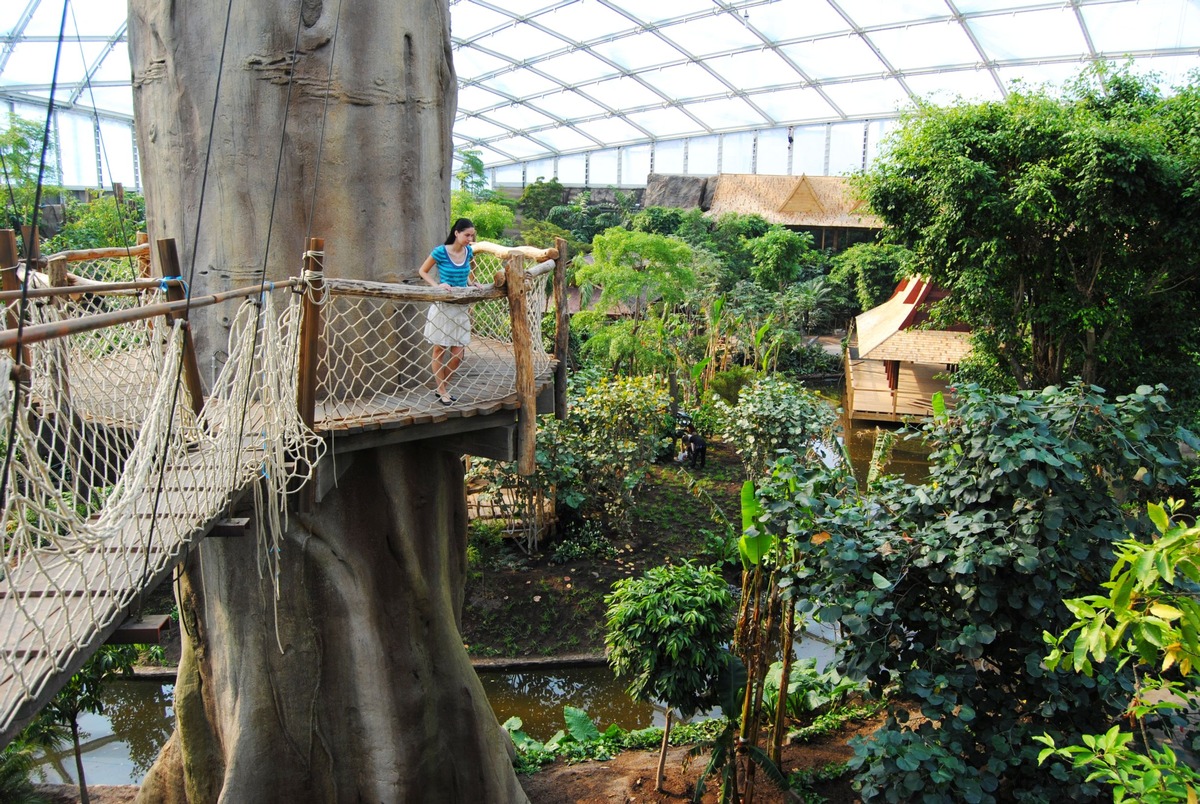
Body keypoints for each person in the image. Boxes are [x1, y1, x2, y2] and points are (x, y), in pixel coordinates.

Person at [419, 218, 480, 404]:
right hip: (443, 307)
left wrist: (472, 283)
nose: (469, 239)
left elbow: (466, 273)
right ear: (456, 233)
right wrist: (437, 285)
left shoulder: (468, 251)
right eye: (466, 235)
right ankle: (443, 390)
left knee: (458, 354)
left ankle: (440, 387)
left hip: (461, 307)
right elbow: (422, 271)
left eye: (472, 235)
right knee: (439, 349)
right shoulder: (440, 252)